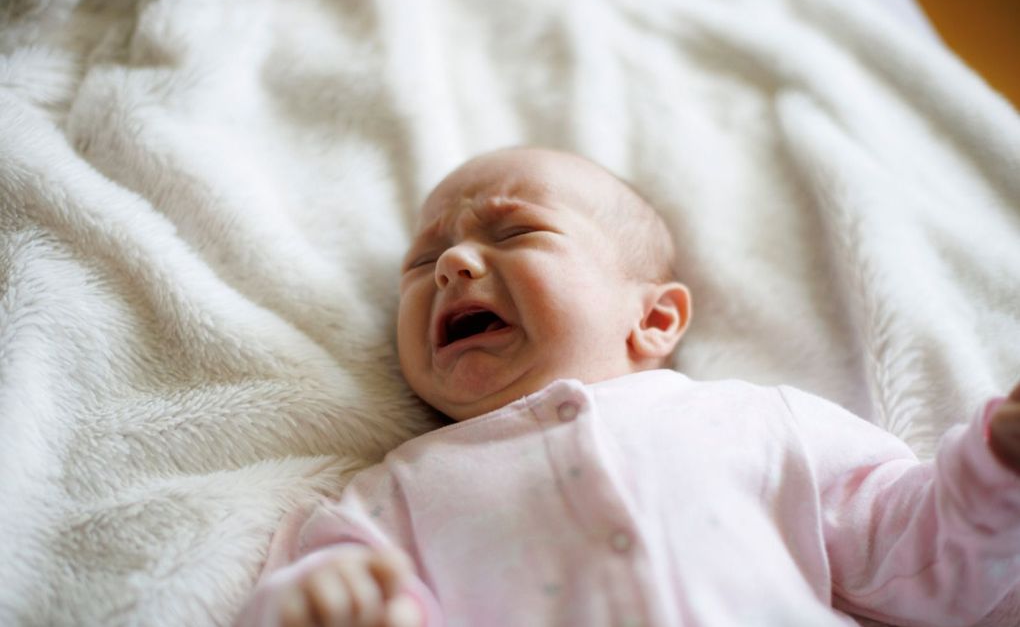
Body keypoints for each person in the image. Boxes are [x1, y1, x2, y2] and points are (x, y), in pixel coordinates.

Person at [237, 147, 1020, 627]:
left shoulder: (756, 421)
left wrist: (995, 466)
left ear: (652, 319)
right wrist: (327, 606)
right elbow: (319, 584)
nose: (451, 266)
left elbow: (920, 559)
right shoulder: (393, 495)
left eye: (516, 231)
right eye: (422, 264)